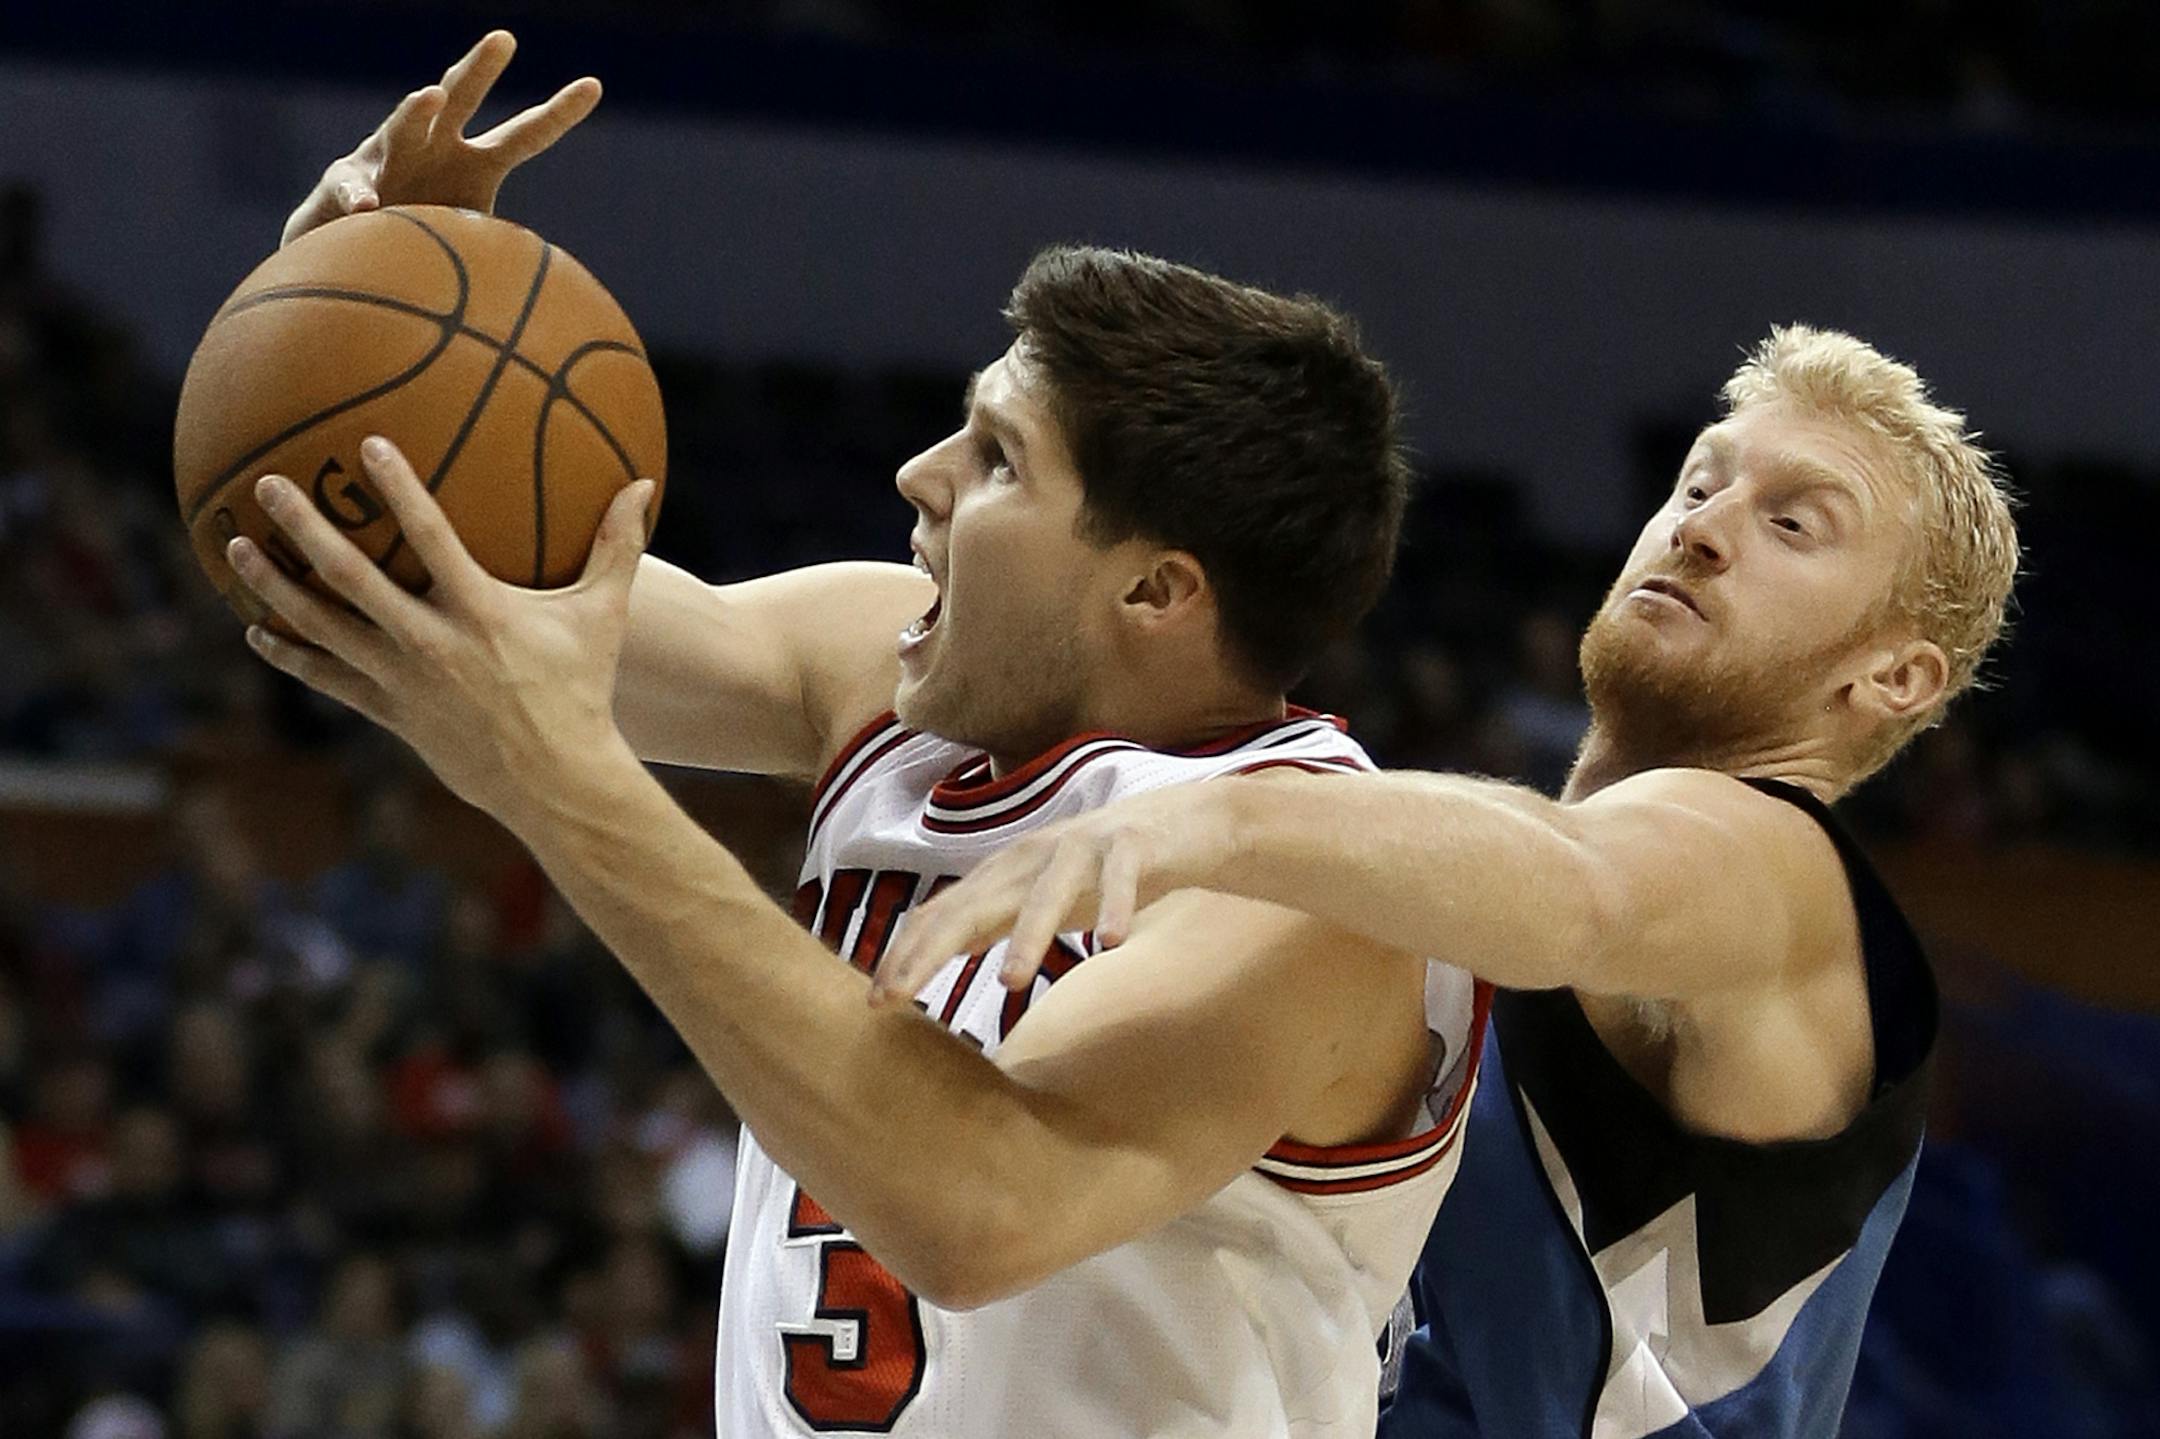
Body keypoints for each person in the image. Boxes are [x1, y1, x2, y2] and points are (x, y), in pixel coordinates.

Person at [249, 32, 1485, 1436]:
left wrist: (569, 792)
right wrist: (351, 321)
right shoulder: (883, 670)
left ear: (1156, 590)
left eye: (999, 458)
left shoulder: (1312, 879)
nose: (918, 474)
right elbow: (451, 590)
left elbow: (977, 1205)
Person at [881, 327, 2019, 1437]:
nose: (1703, 529)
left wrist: (1218, 811)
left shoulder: (1782, 875)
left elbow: (1582, 888)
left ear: (1895, 676)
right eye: (1699, 485)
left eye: (1793, 524)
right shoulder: (1461, 892)